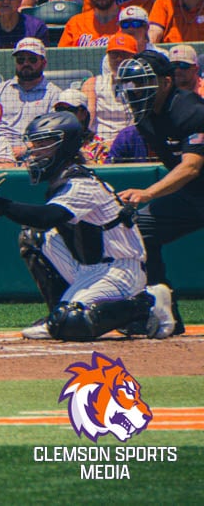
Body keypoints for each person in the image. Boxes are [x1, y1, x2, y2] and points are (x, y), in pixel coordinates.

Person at [0, 111, 173, 341]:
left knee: (72, 321)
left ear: (65, 146)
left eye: (45, 144)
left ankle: (148, 303)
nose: (36, 151)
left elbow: (48, 217)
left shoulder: (81, 184)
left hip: (119, 270)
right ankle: (57, 314)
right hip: (87, 266)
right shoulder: (64, 178)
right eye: (36, 144)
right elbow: (42, 226)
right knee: (33, 237)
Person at [114, 50, 204, 337]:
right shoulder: (145, 116)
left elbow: (191, 167)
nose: (135, 91)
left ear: (166, 82)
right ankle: (161, 311)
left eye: (143, 83)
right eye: (132, 84)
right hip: (192, 198)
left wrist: (148, 193)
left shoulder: (190, 110)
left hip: (193, 185)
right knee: (138, 229)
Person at [0, 36, 61, 141]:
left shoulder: (54, 94)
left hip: (36, 150)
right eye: (21, 60)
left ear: (43, 63)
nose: (26, 63)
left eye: (32, 59)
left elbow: (54, 132)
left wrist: (27, 147)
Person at [81, 32, 139, 146]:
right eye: (114, 54)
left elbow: (139, 122)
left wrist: (118, 142)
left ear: (134, 58)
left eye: (124, 54)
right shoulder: (93, 83)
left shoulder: (142, 84)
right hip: (99, 142)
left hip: (131, 142)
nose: (119, 59)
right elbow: (88, 120)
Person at [54, 87, 109, 164]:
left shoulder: (99, 146)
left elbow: (101, 173)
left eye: (70, 110)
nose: (65, 115)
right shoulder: (51, 143)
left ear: (84, 114)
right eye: (60, 110)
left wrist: (82, 155)